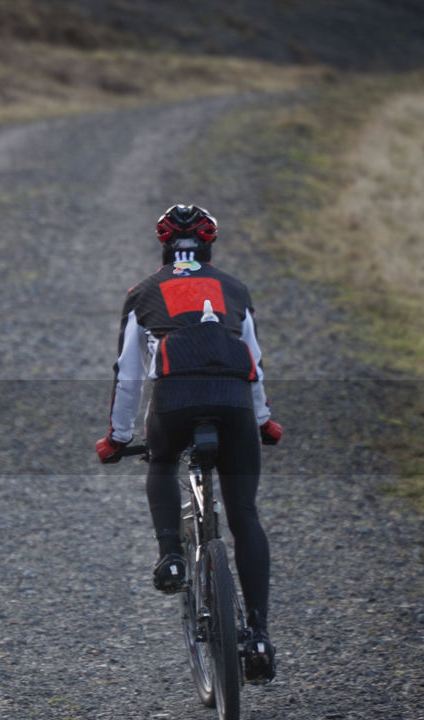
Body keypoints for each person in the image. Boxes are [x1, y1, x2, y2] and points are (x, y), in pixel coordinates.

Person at [95, 204, 283, 682]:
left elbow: (130, 374)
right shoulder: (235, 290)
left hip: (175, 401)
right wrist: (264, 421)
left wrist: (117, 438)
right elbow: (254, 366)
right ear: (209, 246)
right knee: (244, 515)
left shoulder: (143, 293)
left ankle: (171, 557)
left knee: (160, 462)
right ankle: (257, 634)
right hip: (234, 402)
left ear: (163, 247)